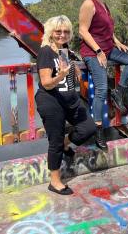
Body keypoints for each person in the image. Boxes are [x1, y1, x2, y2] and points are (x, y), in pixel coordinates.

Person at [35, 15, 96, 195]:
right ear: (51, 32)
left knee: (89, 128)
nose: (62, 34)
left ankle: (65, 142)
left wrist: (75, 68)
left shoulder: (64, 49)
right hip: (51, 100)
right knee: (54, 141)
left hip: (69, 98)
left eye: (66, 31)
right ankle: (55, 181)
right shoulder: (45, 52)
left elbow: (66, 65)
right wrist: (61, 76)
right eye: (58, 31)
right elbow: (46, 83)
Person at [79, 0, 128, 150]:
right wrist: (97, 51)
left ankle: (118, 92)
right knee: (102, 89)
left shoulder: (103, 5)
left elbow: (107, 30)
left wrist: (118, 42)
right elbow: (83, 31)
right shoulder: (88, 4)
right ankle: (99, 131)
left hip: (108, 49)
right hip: (92, 52)